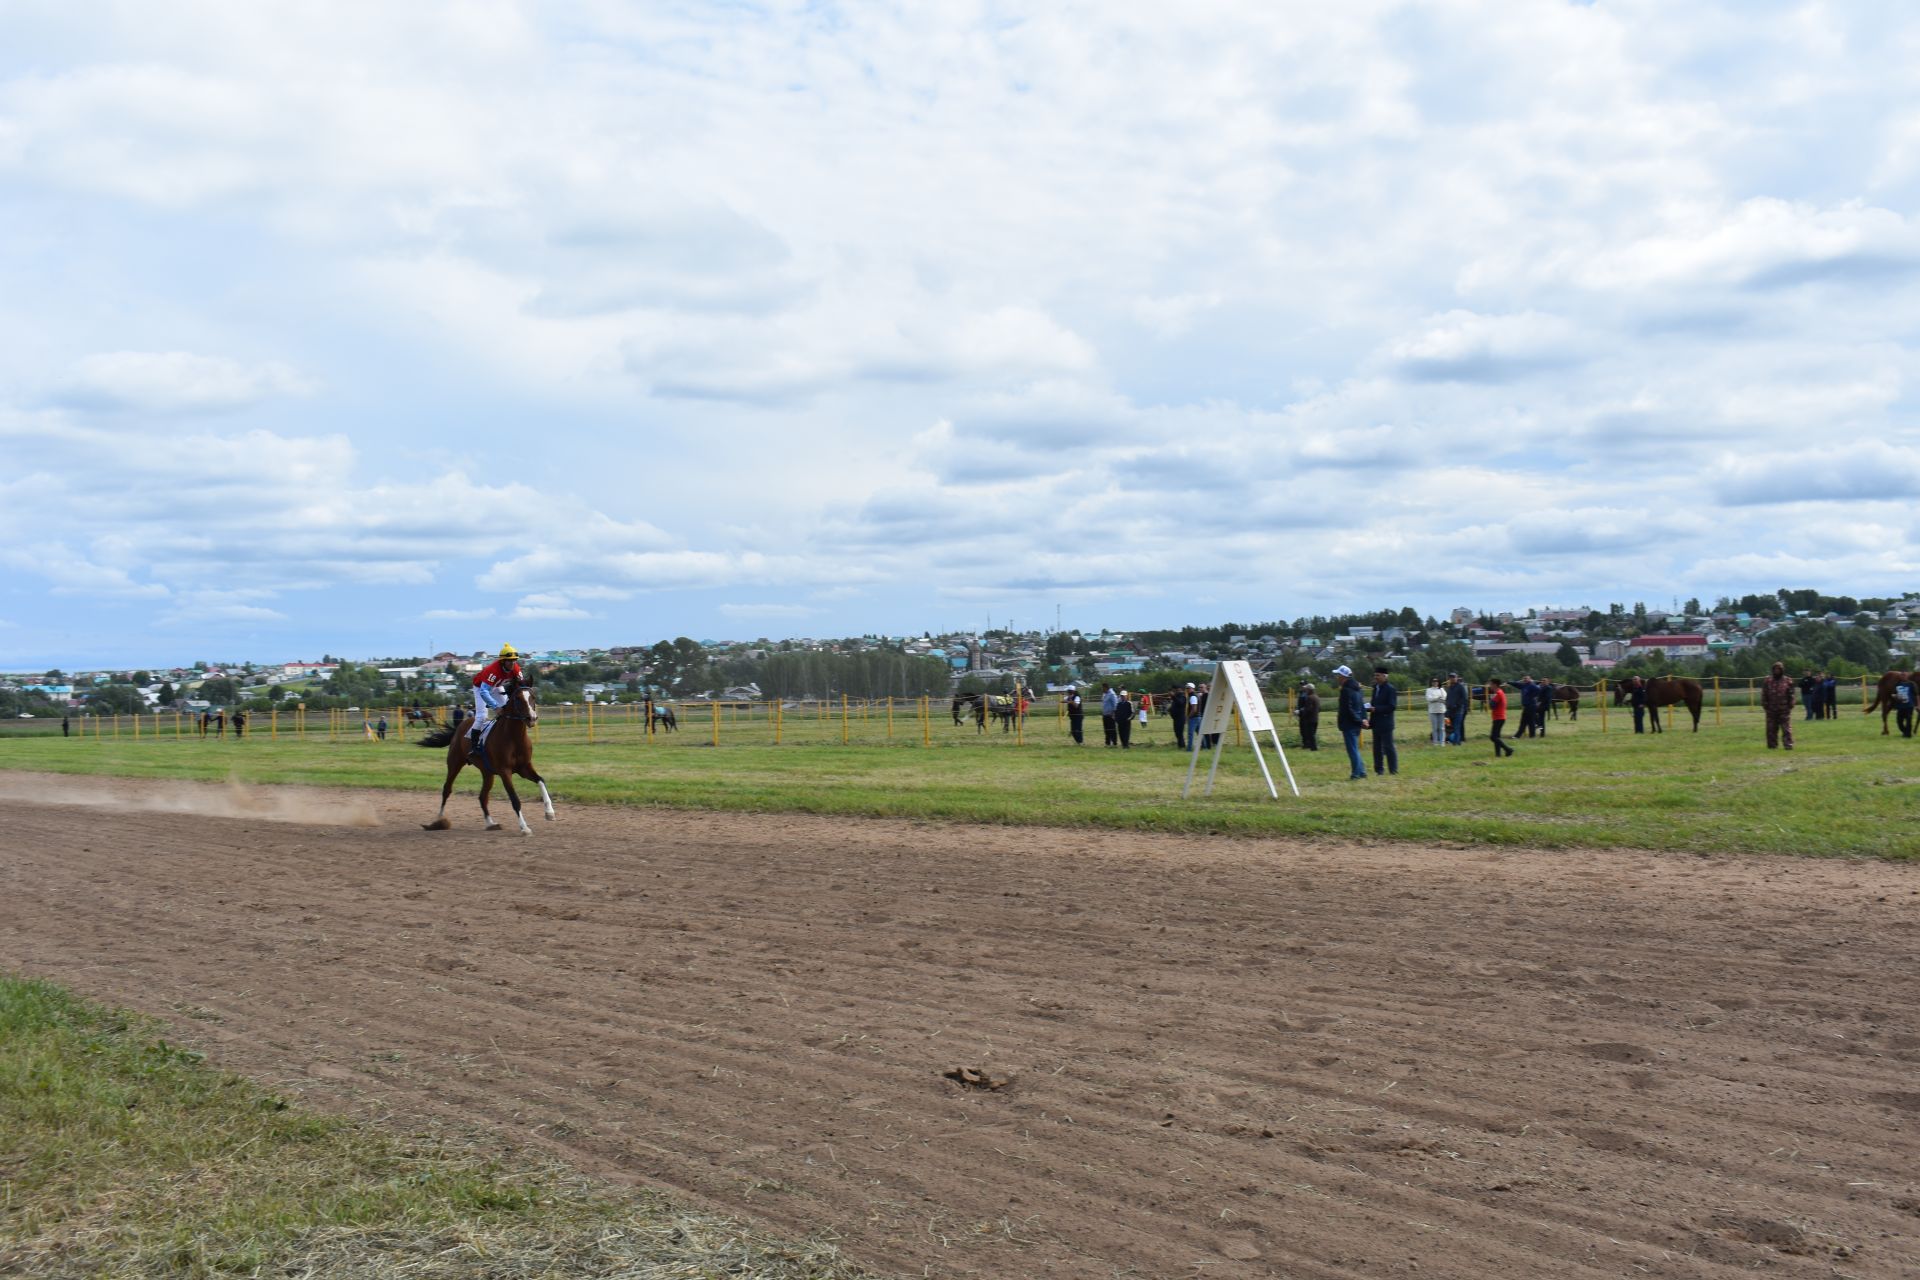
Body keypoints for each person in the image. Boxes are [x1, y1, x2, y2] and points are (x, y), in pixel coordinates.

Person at [470, 643, 524, 747]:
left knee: (507, 711)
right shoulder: (493, 671)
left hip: (496, 685)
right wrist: (495, 707)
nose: (512, 663)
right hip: (480, 687)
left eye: (514, 660)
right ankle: (473, 746)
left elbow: (522, 686)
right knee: (482, 717)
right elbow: (484, 691)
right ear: (503, 661)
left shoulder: (516, 669)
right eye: (509, 661)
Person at [1334, 665, 1367, 779]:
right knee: (1355, 749)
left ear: (1344, 677)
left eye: (1338, 675)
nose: (1337, 677)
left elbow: (1348, 709)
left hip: (1349, 723)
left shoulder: (1345, 691)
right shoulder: (1358, 690)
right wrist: (1363, 719)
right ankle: (1362, 771)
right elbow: (1361, 707)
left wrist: (1358, 720)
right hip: (1356, 723)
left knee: (1352, 750)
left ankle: (1356, 773)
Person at [1368, 665, 1398, 775]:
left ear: (1385, 676)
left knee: (1388, 747)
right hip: (1376, 722)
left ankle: (1393, 770)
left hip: (1386, 722)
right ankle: (1379, 770)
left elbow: (1392, 706)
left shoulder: (1390, 689)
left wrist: (1377, 709)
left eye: (1378, 675)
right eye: (1375, 675)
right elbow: (1373, 703)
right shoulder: (1375, 688)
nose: (1376, 677)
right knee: (1376, 749)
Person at [1761, 662, 1796, 750]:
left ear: (1782, 670)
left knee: (1786, 729)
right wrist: (1765, 705)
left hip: (1784, 709)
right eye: (1775, 669)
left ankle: (1788, 745)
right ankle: (1772, 746)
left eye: (1779, 669)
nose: (1777, 671)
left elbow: (1791, 694)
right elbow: (1764, 694)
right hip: (1771, 709)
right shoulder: (1768, 681)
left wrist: (1791, 705)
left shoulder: (1788, 680)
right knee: (1771, 729)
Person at [1488, 677, 1514, 756]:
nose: (1490, 686)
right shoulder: (1500, 692)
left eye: (1491, 684)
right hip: (1499, 717)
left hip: (1499, 718)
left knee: (1493, 737)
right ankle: (1498, 754)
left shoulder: (1498, 693)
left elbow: (1492, 705)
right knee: (1497, 737)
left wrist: (1490, 700)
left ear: (1495, 685)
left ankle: (1508, 749)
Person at [1444, 672, 1469, 745]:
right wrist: (1447, 706)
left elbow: (1464, 698)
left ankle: (1457, 742)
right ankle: (1454, 741)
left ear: (1456, 678)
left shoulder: (1460, 687)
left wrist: (1457, 705)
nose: (1452, 678)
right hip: (1450, 711)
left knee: (1456, 727)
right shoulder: (1450, 688)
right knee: (1450, 727)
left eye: (1453, 677)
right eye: (1450, 677)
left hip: (1458, 711)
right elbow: (1448, 698)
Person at [1297, 682, 1320, 751]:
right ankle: (1312, 747)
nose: (1305, 690)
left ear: (1309, 690)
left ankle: (1313, 748)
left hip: (1310, 719)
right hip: (1315, 718)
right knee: (1312, 733)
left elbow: (1308, 709)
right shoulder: (1316, 697)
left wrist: (1300, 712)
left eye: (1307, 689)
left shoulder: (1310, 698)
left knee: (1310, 734)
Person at [1424, 676, 1447, 746]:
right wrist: (1437, 699)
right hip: (1433, 711)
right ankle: (1435, 742)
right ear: (1431, 682)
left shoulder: (1442, 689)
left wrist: (1438, 699)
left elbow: (1445, 697)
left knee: (1441, 727)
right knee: (1435, 727)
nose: (1435, 683)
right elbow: (1429, 699)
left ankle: (1442, 742)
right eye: (1434, 681)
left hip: (1441, 710)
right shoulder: (1429, 690)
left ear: (1438, 682)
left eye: (1436, 681)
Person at [1896, 674, 1917, 740]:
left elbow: (1916, 695)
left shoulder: (1911, 684)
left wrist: (1918, 705)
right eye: (1902, 675)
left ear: (1907, 676)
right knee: (1899, 721)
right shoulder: (1897, 684)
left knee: (1909, 721)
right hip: (1900, 706)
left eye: (1904, 675)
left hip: (1909, 706)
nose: (1903, 676)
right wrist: (1896, 697)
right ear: (1900, 677)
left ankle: (1908, 735)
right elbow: (1893, 694)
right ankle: (1905, 732)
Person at [1169, 682, 1189, 749]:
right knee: (1177, 732)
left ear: (1178, 689)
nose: (1173, 691)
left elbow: (1180, 703)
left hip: (1180, 718)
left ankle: (1182, 746)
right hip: (1176, 718)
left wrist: (1173, 696)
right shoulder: (1177, 696)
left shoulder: (1182, 696)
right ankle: (1180, 745)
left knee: (1179, 733)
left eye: (1174, 690)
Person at [1099, 683, 1118, 747]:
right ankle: (1107, 743)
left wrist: (1113, 714)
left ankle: (1114, 743)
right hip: (1105, 715)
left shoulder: (1112, 694)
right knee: (1106, 730)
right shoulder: (1105, 694)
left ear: (1106, 687)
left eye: (1102, 688)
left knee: (1112, 729)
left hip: (1110, 715)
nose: (1101, 689)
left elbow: (1115, 705)